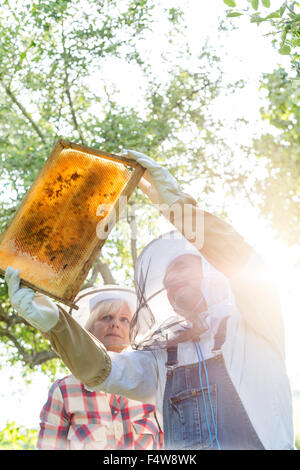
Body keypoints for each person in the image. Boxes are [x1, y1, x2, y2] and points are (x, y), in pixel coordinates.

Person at [5, 149, 294, 450]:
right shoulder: (161, 360)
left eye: (182, 268)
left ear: (211, 274)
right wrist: (54, 322)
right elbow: (103, 370)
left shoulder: (252, 322)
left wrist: (178, 208)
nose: (173, 281)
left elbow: (243, 261)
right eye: (167, 281)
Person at [36, 285, 163, 450]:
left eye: (124, 319)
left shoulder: (151, 387)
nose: (115, 324)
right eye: (107, 317)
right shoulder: (64, 390)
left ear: (133, 332)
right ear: (89, 330)